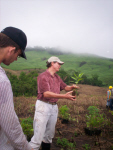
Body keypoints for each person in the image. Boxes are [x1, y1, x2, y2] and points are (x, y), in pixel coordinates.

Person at [29, 56, 79, 150]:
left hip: (53, 107)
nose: (60, 65)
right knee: (38, 137)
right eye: (58, 63)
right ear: (52, 63)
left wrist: (72, 87)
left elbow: (65, 87)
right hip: (43, 105)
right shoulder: (43, 76)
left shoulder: (57, 77)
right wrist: (64, 96)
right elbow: (46, 94)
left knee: (49, 136)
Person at [0, 27, 33, 150]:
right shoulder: (2, 81)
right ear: (12, 50)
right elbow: (10, 124)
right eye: (18, 55)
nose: (15, 59)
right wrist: (26, 148)